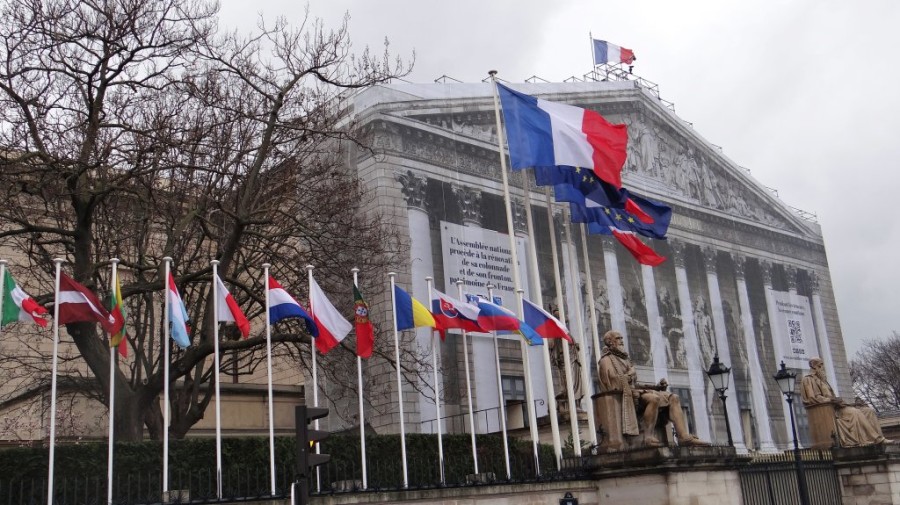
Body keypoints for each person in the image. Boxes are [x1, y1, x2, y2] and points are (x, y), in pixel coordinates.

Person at [597, 330, 708, 447]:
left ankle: (683, 436)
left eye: (621, 339)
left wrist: (657, 387)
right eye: (618, 338)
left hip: (635, 392)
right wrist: (630, 373)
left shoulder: (625, 359)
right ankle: (648, 437)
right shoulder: (606, 361)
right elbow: (613, 384)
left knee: (673, 397)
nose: (621, 341)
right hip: (624, 397)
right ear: (609, 342)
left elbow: (635, 384)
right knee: (653, 399)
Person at [800, 357, 891, 447]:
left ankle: (877, 439)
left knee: (868, 411)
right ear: (813, 366)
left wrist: (850, 403)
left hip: (838, 407)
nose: (822, 368)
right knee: (855, 412)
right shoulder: (808, 379)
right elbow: (812, 399)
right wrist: (831, 400)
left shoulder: (824, 381)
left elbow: (832, 397)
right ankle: (876, 439)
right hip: (829, 411)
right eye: (820, 365)